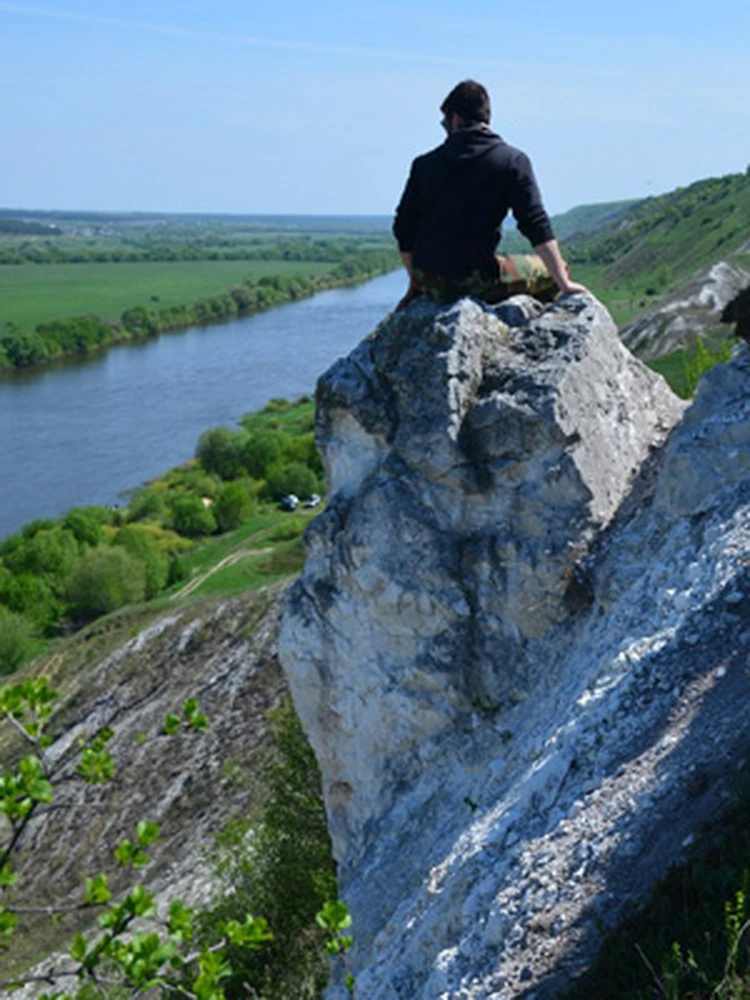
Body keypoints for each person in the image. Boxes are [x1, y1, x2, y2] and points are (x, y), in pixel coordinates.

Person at [393, 80, 587, 310]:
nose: (445, 127)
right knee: (550, 272)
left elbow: (403, 226)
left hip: (428, 281)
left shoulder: (424, 165)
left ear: (455, 119)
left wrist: (416, 281)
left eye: (444, 122)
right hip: (477, 280)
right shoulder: (511, 161)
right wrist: (563, 281)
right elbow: (535, 223)